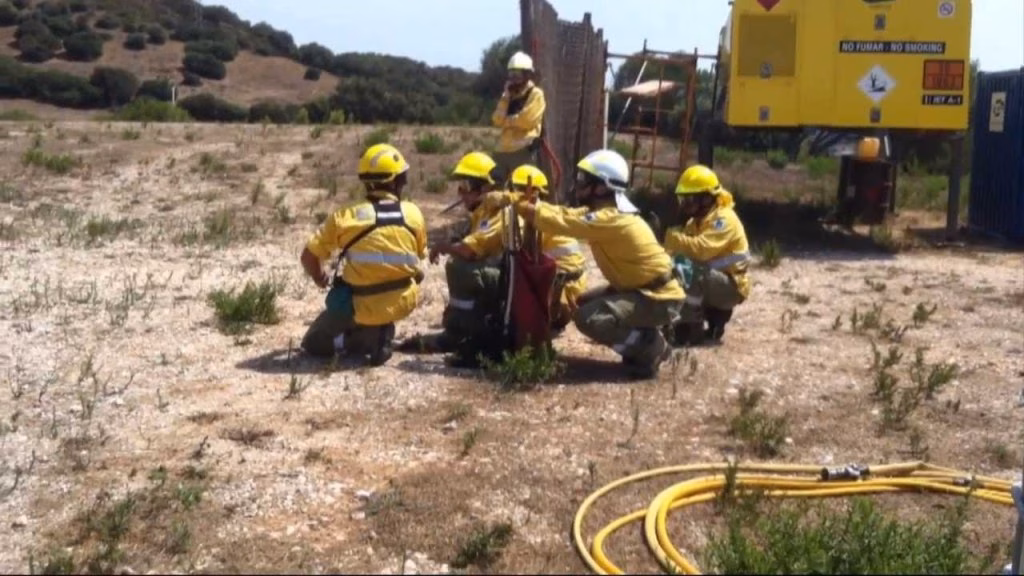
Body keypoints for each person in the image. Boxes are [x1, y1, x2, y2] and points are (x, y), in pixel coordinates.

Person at [508, 149, 685, 379]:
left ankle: (651, 348)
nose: (578, 185)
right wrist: (526, 203)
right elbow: (565, 214)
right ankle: (642, 337)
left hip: (659, 298)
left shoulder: (611, 219)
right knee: (582, 302)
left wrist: (516, 204)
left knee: (589, 318)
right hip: (643, 290)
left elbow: (563, 223)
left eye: (584, 180)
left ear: (601, 187)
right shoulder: (605, 213)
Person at [299, 143, 427, 366]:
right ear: (394, 182)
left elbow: (308, 257)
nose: (404, 183)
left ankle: (366, 339)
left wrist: (319, 278)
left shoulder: (345, 217)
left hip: (361, 306)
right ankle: (382, 328)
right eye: (403, 178)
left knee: (313, 342)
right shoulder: (414, 214)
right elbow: (420, 255)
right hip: (403, 302)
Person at [482, 164, 588, 332]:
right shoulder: (548, 211)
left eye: (516, 190)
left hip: (559, 285)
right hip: (574, 284)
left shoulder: (535, 214)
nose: (512, 194)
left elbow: (515, 245)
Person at [663, 164, 751, 346]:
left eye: (689, 199)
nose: (685, 204)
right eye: (683, 199)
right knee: (671, 268)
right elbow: (675, 252)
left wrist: (672, 238)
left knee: (687, 269)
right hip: (715, 282)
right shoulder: (695, 222)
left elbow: (701, 250)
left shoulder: (724, 219)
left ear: (706, 198)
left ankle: (690, 328)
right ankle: (713, 317)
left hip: (731, 288)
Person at [491, 51, 546, 182]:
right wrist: (506, 96)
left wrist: (507, 121)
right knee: (494, 189)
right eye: (511, 75)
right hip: (502, 151)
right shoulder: (507, 96)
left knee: (522, 190)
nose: (513, 79)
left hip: (523, 152)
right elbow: (497, 120)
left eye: (517, 75)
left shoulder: (536, 94)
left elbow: (527, 121)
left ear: (527, 75)